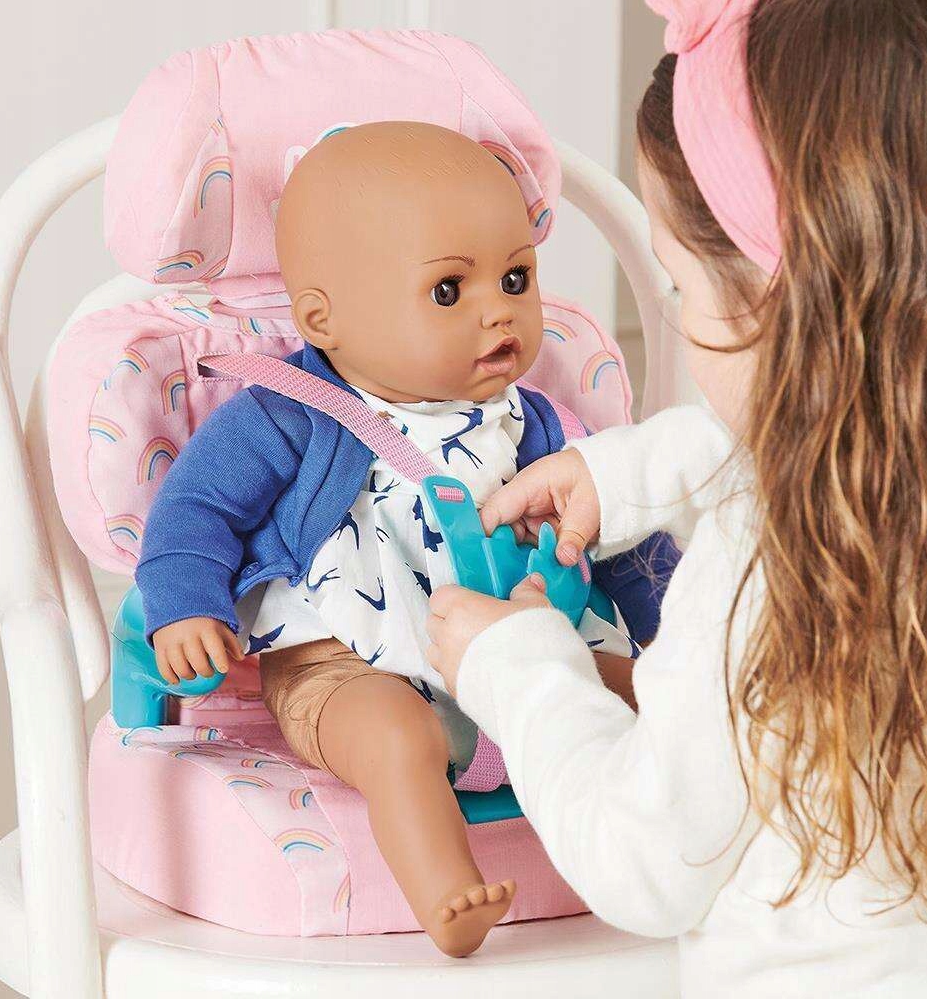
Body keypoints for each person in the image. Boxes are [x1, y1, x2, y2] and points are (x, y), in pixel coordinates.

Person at [425, 0, 927, 993]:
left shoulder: (772, 575)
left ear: (784, 311)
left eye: (681, 288)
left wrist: (518, 669)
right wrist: (625, 474)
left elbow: (642, 859)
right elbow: (804, 432)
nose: (678, 313)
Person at [137, 121, 651, 957]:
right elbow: (195, 511)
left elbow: (620, 530)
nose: (499, 310)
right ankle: (445, 886)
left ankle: (714, 840)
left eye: (515, 277)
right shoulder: (287, 414)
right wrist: (184, 605)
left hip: (520, 649)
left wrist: (678, 637)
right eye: (449, 290)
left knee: (650, 692)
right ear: (323, 319)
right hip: (344, 662)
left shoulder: (541, 423)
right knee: (394, 739)